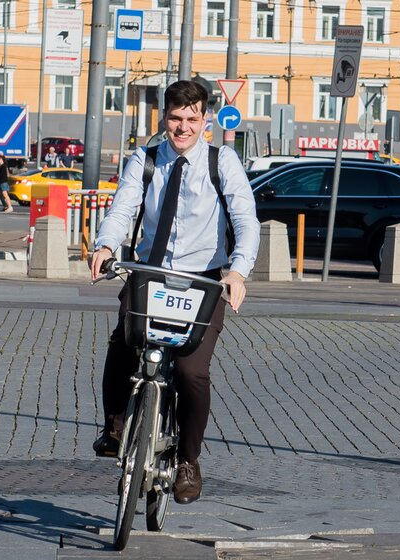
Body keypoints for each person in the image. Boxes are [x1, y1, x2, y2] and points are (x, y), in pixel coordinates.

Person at [90, 80, 260, 505]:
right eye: (175, 118)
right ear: (164, 118)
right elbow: (123, 207)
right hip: (149, 275)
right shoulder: (145, 160)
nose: (182, 127)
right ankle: (114, 427)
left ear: (205, 120)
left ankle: (188, 460)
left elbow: (245, 220)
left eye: (191, 118)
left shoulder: (223, 163)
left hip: (203, 281)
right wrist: (106, 246)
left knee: (191, 372)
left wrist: (237, 273)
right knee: (122, 345)